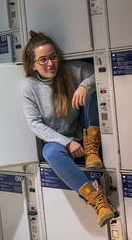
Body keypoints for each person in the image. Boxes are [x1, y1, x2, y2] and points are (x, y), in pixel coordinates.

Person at [20, 30, 114, 227]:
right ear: (32, 65)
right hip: (63, 143)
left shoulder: (71, 70)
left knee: (92, 92)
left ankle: (92, 152)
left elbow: (99, 71)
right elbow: (35, 124)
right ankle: (98, 201)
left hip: (83, 133)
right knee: (49, 151)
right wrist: (67, 142)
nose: (50, 63)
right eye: (43, 60)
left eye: (53, 56)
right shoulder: (29, 87)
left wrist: (83, 87)